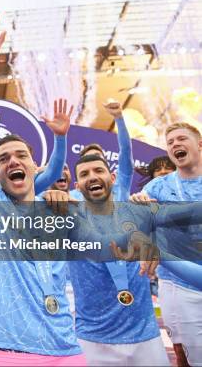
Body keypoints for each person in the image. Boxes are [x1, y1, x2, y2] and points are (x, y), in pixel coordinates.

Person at [0, 9, 86, 366]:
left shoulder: (57, 207)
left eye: (21, 155)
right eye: (4, 158)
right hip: (8, 352)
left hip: (67, 349)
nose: (14, 161)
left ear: (34, 165)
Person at [68, 154, 170, 365]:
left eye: (98, 170)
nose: (92, 177)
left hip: (146, 338)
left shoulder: (137, 212)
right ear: (77, 186)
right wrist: (47, 196)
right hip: (93, 341)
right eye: (85, 174)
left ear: (112, 177)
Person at [131, 122, 202, 367]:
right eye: (170, 142)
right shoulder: (156, 188)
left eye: (181, 139)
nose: (175, 144)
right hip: (178, 285)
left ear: (200, 144)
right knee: (189, 356)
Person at [70, 103, 133, 200]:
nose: (93, 160)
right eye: (87, 159)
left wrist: (119, 118)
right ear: (77, 186)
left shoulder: (121, 182)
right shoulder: (73, 196)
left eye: (97, 156)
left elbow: (125, 150)